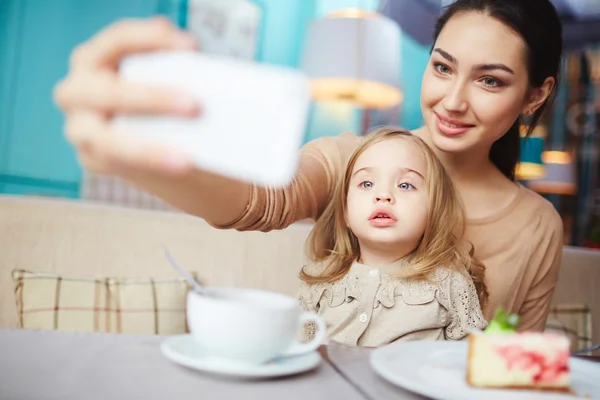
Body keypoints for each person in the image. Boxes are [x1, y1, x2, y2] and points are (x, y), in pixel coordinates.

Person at [53, 0, 564, 331]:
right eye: (442, 66)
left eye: (489, 80)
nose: (452, 100)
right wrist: (154, 160)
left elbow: (515, 366)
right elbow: (263, 199)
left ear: (535, 94)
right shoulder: (356, 159)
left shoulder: (538, 226)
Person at [298, 127, 488, 345]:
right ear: (345, 213)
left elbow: (468, 358)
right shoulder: (319, 280)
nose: (383, 195)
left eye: (405, 185)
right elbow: (299, 354)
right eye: (367, 184)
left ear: (433, 211)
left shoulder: (449, 282)